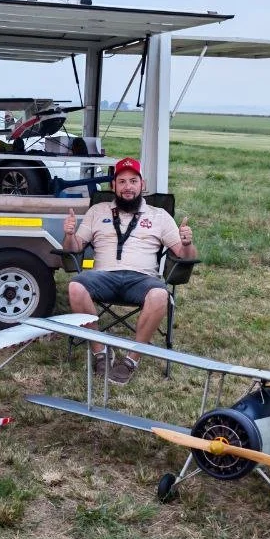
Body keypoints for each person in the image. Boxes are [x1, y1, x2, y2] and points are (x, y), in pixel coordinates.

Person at [63, 157, 196, 384]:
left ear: (142, 185)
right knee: (76, 287)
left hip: (142, 279)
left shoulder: (159, 216)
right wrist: (69, 234)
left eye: (133, 181)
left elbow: (187, 257)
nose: (127, 187)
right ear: (113, 186)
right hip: (103, 276)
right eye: (122, 181)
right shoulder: (97, 211)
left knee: (160, 294)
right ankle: (100, 352)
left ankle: (132, 359)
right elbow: (73, 248)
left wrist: (186, 244)